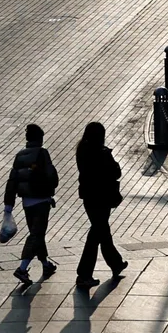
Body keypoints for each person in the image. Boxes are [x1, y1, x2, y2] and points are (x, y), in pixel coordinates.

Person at [4, 124, 59, 286]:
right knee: (36, 235)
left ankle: (46, 265)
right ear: (40, 139)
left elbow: (12, 181)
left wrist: (8, 206)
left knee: (37, 234)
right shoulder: (43, 153)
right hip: (42, 201)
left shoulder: (19, 156)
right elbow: (52, 177)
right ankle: (22, 268)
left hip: (26, 203)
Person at [75, 122, 127, 289]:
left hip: (89, 197)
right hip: (102, 197)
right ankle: (84, 274)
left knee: (101, 230)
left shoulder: (82, 150)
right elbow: (116, 172)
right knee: (97, 233)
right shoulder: (102, 153)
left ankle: (116, 263)